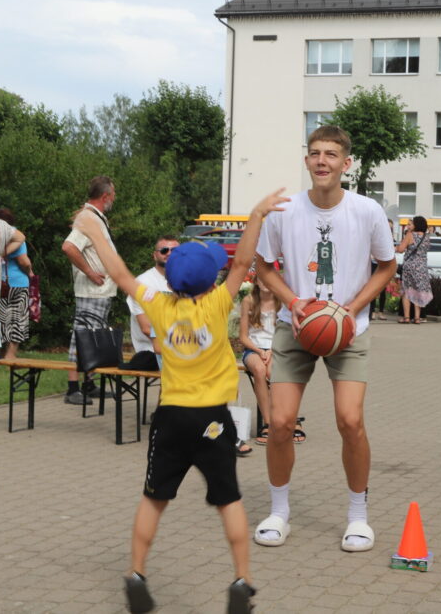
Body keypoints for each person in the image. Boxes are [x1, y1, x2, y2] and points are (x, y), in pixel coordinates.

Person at [82, 189, 287, 614]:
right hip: (212, 419)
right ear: (211, 281)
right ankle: (242, 580)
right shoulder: (217, 303)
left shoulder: (158, 305)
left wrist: (93, 232)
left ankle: (136, 573)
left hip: (171, 417)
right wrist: (256, 215)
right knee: (228, 500)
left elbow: (119, 273)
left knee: (153, 498)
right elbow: (243, 263)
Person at [253, 125, 397, 553]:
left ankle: (358, 516)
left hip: (348, 329)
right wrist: (293, 301)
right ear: (306, 160)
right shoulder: (285, 211)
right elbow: (263, 266)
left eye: (331, 154)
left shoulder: (367, 211)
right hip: (296, 325)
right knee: (280, 423)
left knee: (350, 421)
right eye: (315, 153)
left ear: (346, 163)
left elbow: (387, 266)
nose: (322, 161)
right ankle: (279, 512)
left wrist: (352, 309)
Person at [61, 176, 118, 405]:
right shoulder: (88, 219)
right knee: (82, 337)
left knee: (94, 338)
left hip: (101, 292)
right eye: (113, 194)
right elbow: (69, 247)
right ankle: (72, 388)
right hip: (91, 291)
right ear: (105, 196)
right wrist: (89, 271)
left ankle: (88, 383)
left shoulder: (95, 217)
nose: (114, 198)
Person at [240, 277, 283, 446]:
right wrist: (259, 351)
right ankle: (268, 423)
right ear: (256, 281)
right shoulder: (249, 300)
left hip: (276, 348)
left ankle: (284, 418)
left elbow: (285, 333)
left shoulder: (281, 301)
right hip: (253, 348)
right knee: (259, 370)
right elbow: (243, 337)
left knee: (272, 372)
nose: (265, 282)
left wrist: (272, 350)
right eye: (261, 279)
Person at [127, 235, 178, 364]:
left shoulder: (187, 280)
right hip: (152, 352)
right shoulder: (142, 283)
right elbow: (146, 328)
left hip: (181, 347)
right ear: (154, 256)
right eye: (164, 250)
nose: (169, 254)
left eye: (175, 250)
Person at [0, 209, 32, 362]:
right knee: (17, 319)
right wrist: (30, 272)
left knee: (2, 319)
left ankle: (1, 353)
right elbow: (24, 261)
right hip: (17, 282)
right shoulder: (16, 236)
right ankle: (10, 354)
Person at [396, 215, 432, 324]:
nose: (409, 226)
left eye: (411, 224)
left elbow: (401, 249)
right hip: (422, 268)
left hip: (410, 266)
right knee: (418, 291)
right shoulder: (427, 237)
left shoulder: (410, 235)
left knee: (407, 291)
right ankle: (417, 318)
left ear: (416, 225)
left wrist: (395, 248)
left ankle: (406, 317)